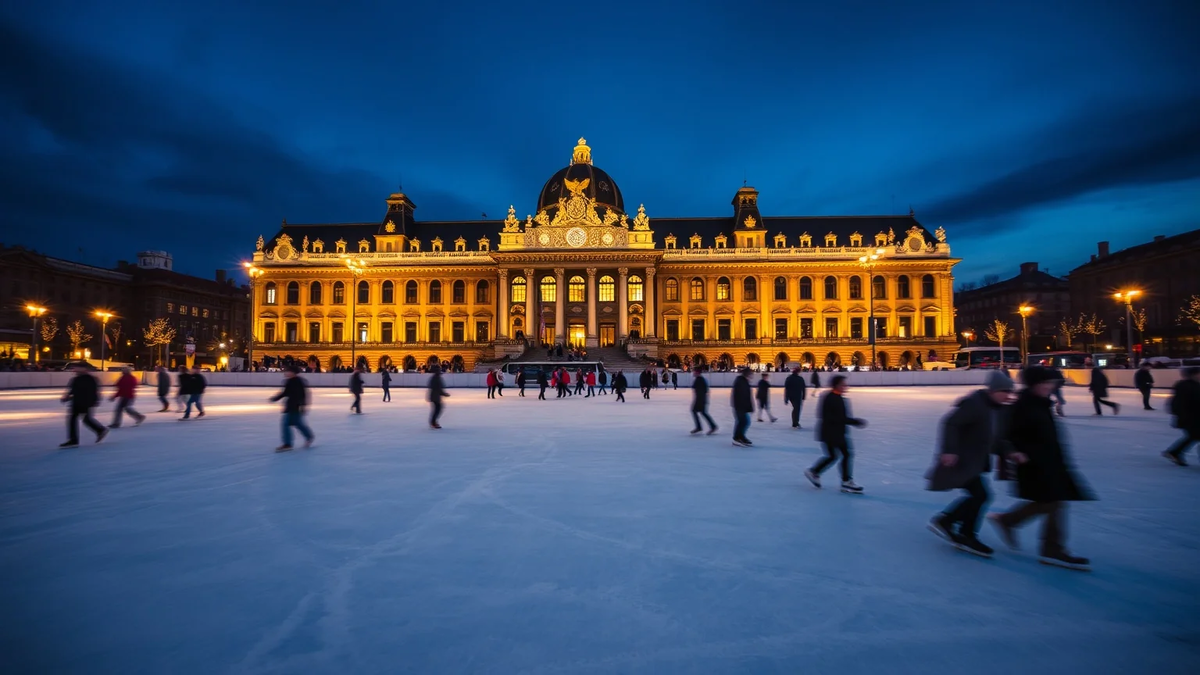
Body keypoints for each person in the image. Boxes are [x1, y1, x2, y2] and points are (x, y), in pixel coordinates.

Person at [989, 366, 1095, 571]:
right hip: (1032, 464)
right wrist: (1013, 452)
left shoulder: (1040, 403)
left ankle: (1014, 524)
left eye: (1051, 383)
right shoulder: (1021, 405)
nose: (1050, 387)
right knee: (1053, 501)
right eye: (1046, 383)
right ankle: (1046, 545)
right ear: (1034, 384)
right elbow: (1001, 435)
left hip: (1050, 462)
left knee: (1054, 501)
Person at [926, 371, 1015, 558]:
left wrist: (1009, 451)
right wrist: (949, 450)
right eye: (1005, 391)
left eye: (1010, 391)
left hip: (974, 460)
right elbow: (950, 422)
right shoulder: (975, 404)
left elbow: (995, 437)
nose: (1008, 395)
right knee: (981, 495)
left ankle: (949, 522)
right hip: (962, 460)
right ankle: (961, 530)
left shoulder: (994, 408)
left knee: (980, 495)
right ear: (993, 390)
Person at [805, 375, 867, 494]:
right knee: (844, 454)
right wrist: (854, 422)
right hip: (832, 433)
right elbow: (833, 417)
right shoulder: (831, 398)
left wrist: (850, 422)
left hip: (834, 432)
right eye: (843, 384)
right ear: (836, 385)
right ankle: (845, 481)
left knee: (834, 455)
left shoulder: (837, 397)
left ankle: (815, 472)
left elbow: (839, 417)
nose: (845, 387)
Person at [61, 364, 106, 447]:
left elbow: (94, 391)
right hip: (76, 402)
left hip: (85, 402)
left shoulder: (90, 379)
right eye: (75, 368)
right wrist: (66, 397)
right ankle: (74, 439)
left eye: (78, 368)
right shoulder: (75, 379)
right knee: (75, 419)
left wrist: (94, 401)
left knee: (85, 419)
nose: (75, 370)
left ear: (84, 369)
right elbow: (72, 390)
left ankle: (100, 430)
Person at [270, 366, 314, 451]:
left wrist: (303, 406)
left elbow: (303, 395)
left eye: (287, 371)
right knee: (297, 423)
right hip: (290, 406)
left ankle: (288, 444)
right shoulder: (289, 381)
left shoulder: (299, 382)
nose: (285, 373)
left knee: (286, 424)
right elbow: (285, 393)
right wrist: (275, 398)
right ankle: (309, 436)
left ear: (293, 373)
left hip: (296, 406)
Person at [1163, 366, 1200, 466]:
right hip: (1190, 418)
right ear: (1193, 374)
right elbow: (1178, 403)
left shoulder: (1196, 385)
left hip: (1195, 417)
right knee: (1194, 436)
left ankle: (1174, 452)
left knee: (1193, 436)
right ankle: (1174, 452)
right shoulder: (1184, 386)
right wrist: (1183, 416)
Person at [690, 366, 718, 435]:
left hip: (700, 399)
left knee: (698, 412)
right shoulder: (699, 379)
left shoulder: (700, 380)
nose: (693, 373)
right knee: (702, 413)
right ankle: (711, 426)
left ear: (697, 372)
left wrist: (699, 400)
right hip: (701, 399)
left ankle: (706, 427)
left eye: (694, 371)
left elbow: (703, 390)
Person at [731, 368, 755, 446]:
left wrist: (749, 406)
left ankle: (740, 436)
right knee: (743, 421)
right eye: (750, 374)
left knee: (743, 422)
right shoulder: (740, 381)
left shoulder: (744, 381)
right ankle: (737, 438)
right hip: (739, 405)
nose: (752, 376)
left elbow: (747, 395)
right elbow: (741, 395)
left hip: (742, 406)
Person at [428, 364, 449, 428]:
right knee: (438, 409)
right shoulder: (436, 378)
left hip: (435, 396)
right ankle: (433, 422)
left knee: (437, 409)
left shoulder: (436, 378)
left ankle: (433, 422)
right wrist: (444, 394)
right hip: (435, 396)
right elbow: (437, 388)